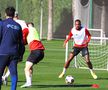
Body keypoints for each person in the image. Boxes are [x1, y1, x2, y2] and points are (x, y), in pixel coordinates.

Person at [0, 6, 25, 90]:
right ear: (14, 14)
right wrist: (21, 55)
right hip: (14, 54)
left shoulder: (2, 23)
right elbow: (21, 43)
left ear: (5, 14)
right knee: (14, 74)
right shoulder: (18, 26)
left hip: (3, 52)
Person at [20, 22, 45, 88]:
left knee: (26, 68)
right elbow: (26, 41)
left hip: (35, 51)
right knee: (29, 67)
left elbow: (22, 39)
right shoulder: (34, 30)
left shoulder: (26, 29)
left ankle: (28, 83)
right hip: (41, 52)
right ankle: (29, 82)